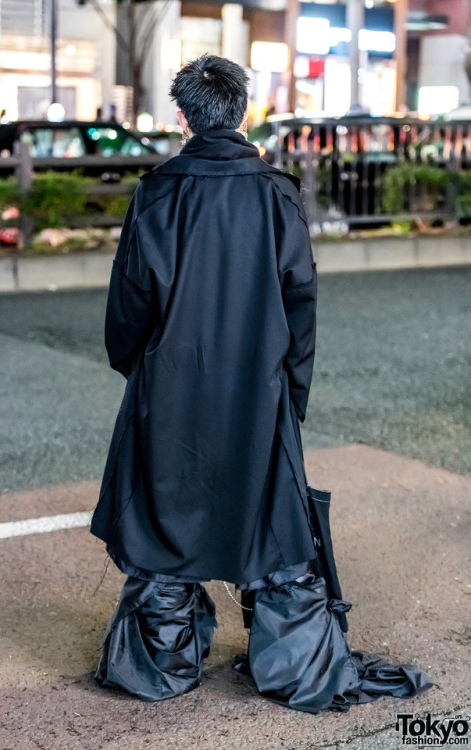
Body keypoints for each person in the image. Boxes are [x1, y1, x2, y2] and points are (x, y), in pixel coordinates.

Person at [90, 54, 432, 711]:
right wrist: (291, 389)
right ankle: (291, 663)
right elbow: (299, 304)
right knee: (270, 520)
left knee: (166, 516)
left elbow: (129, 304)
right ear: (242, 112)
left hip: (170, 388)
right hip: (259, 387)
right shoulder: (276, 195)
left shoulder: (158, 193)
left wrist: (137, 365)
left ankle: (160, 662)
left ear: (184, 117)